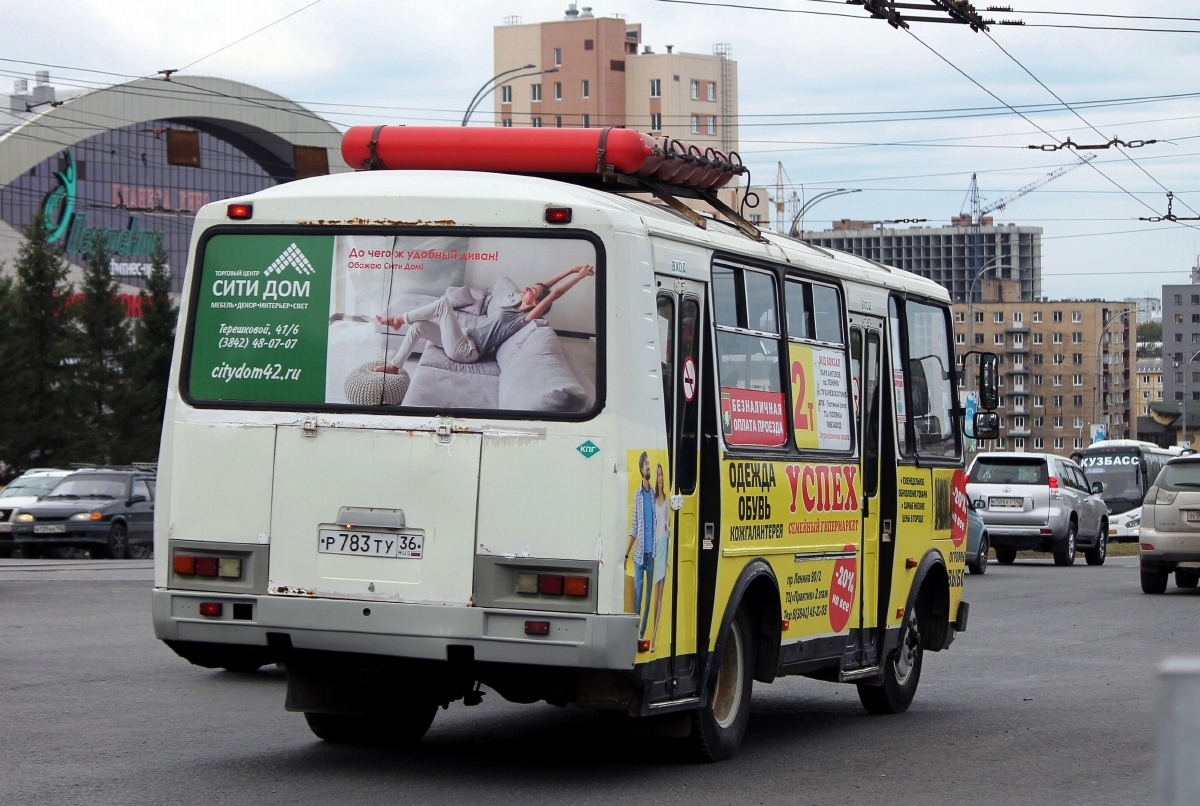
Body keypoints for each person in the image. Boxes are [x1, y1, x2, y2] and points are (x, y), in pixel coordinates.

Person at [372, 264, 595, 373]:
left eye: (532, 291)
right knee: (419, 327)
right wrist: (569, 270)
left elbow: (554, 293)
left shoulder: (524, 317)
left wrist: (581, 276)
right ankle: (395, 365)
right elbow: (546, 286)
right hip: (464, 338)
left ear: (536, 304)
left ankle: (401, 318)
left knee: (442, 304)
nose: (527, 287)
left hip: (467, 351)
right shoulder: (516, 303)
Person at [625, 452, 655, 636]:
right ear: (641, 469)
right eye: (646, 464)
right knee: (637, 597)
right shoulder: (637, 495)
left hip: (652, 555)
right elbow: (635, 527)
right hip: (638, 555)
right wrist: (626, 553)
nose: (648, 467)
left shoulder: (655, 493)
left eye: (649, 464)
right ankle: (634, 634)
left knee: (649, 598)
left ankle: (642, 634)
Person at [649, 463, 671, 652]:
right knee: (655, 592)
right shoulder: (653, 499)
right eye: (658, 475)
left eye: (662, 474)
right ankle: (653, 634)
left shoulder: (668, 499)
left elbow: (668, 523)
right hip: (655, 546)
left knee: (660, 592)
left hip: (664, 543)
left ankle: (656, 634)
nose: (661, 477)